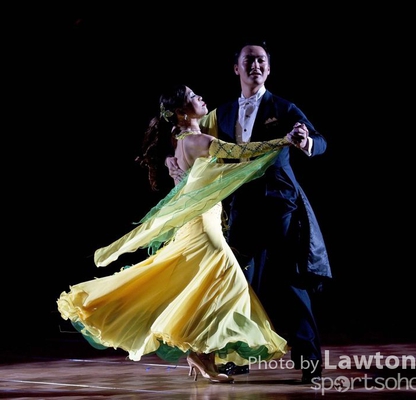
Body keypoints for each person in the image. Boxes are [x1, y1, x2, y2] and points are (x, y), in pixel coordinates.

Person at [57, 84, 293, 383]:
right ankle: (199, 351)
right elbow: (240, 152)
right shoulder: (198, 140)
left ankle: (201, 354)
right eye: (193, 97)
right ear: (182, 112)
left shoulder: (179, 139)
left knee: (198, 285)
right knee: (227, 283)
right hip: (202, 225)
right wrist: (284, 141)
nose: (201, 97)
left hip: (197, 223)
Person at [166, 40, 331, 384]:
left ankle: (310, 361)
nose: (255, 65)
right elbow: (188, 133)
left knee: (287, 282)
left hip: (279, 204)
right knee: (238, 283)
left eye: (261, 61)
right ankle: (235, 358)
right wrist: (172, 159)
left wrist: (305, 141)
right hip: (239, 207)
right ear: (236, 68)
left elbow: (319, 140)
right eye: (248, 60)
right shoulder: (221, 113)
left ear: (268, 69)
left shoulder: (283, 108)